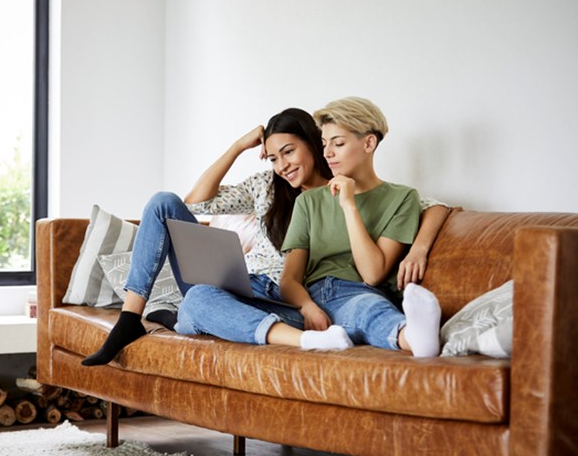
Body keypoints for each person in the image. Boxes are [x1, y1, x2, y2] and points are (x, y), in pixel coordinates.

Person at [83, 106, 447, 366]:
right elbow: (196, 202)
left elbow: (434, 206)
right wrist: (238, 147)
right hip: (249, 283)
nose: (282, 165)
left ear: (312, 144)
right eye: (273, 157)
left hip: (292, 297)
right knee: (164, 206)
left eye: (289, 152)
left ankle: (179, 320)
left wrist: (419, 248)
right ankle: (132, 318)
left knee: (196, 308)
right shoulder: (267, 188)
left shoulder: (359, 192)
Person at [176, 97, 442, 357]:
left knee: (369, 310)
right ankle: (308, 340)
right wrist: (307, 307)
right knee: (199, 297)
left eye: (337, 144)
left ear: (369, 142)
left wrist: (349, 206)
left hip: (355, 292)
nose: (327, 153)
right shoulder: (309, 200)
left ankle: (413, 337)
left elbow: (372, 273)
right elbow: (290, 279)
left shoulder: (402, 197)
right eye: (325, 144)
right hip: (307, 300)